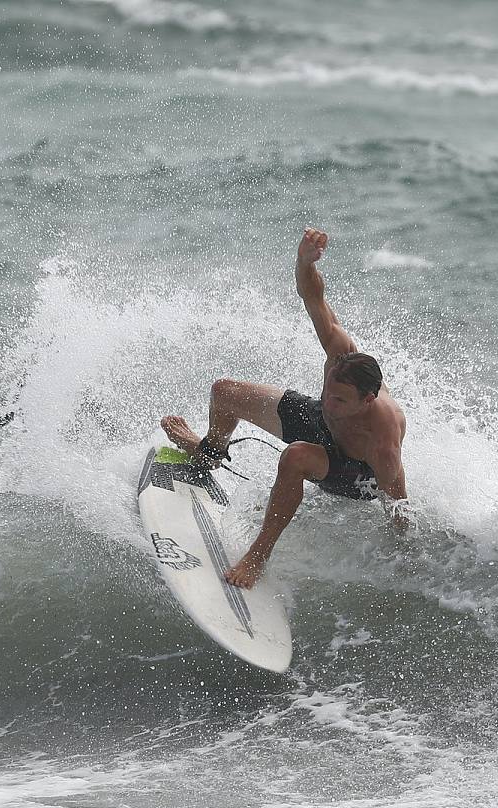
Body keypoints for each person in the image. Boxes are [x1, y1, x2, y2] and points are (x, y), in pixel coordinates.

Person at [160, 228, 408, 590]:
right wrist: (304, 261)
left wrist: (401, 549)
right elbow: (313, 297)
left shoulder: (383, 441)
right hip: (326, 428)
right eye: (328, 392)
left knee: (295, 457)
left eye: (340, 399)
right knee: (224, 393)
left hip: (356, 472)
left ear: (367, 400)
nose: (329, 401)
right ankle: (207, 455)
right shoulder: (340, 359)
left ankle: (257, 556)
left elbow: (396, 501)